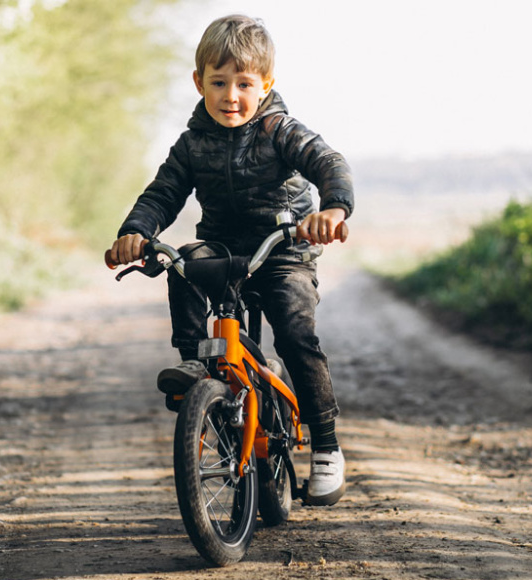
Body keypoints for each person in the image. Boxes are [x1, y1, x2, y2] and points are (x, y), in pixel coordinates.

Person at [106, 14, 353, 506]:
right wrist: (135, 232)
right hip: (223, 247)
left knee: (295, 330)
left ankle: (325, 445)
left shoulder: (279, 130)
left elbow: (328, 162)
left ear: (266, 86)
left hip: (282, 248)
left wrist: (332, 208)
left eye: (244, 83)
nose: (230, 95)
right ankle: (200, 368)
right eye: (218, 83)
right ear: (199, 83)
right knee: (185, 266)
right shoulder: (192, 143)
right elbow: (163, 193)